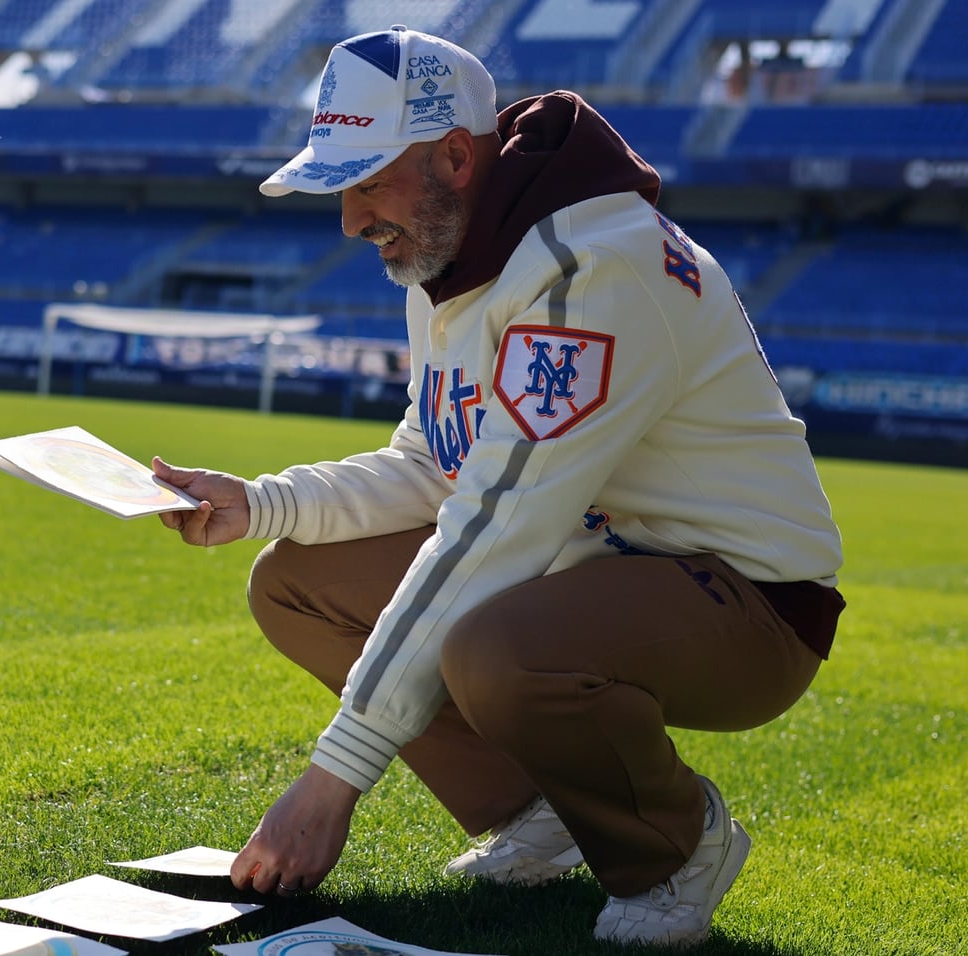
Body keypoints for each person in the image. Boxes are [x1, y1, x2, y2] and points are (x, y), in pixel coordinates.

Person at [150, 25, 846, 949]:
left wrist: (334, 777)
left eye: (365, 181)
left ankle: (676, 848)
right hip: (585, 563)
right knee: (295, 581)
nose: (350, 220)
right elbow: (436, 466)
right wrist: (262, 501)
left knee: (496, 647)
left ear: (454, 155)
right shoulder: (451, 249)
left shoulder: (589, 264)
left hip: (750, 602)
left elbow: (496, 522)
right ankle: (544, 813)